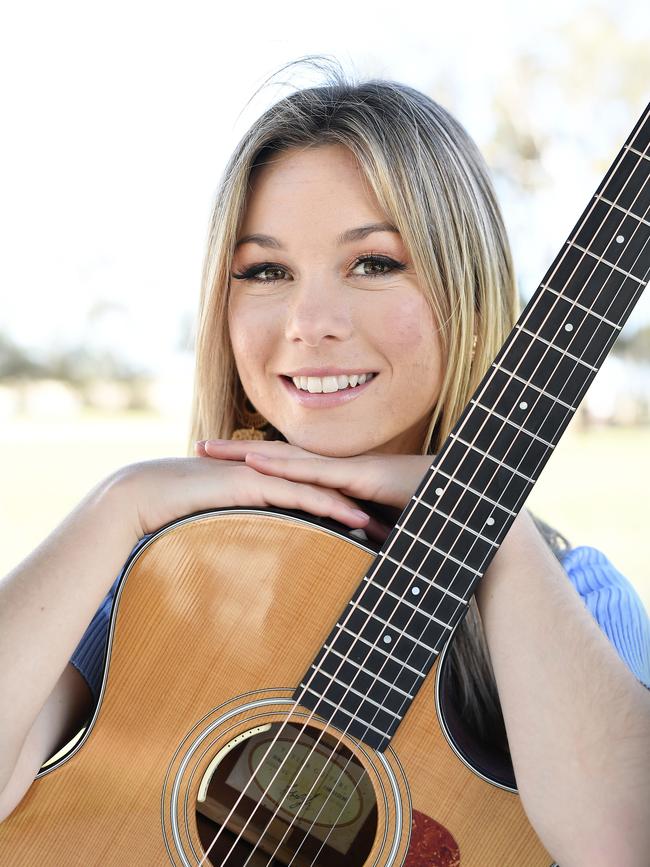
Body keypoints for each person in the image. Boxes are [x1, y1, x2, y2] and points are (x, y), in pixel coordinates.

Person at [1, 56, 649, 864]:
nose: (310, 321)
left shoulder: (576, 594)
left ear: (463, 284)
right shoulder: (163, 578)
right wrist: (119, 505)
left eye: (373, 263)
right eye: (266, 270)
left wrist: (494, 528)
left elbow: (622, 845)